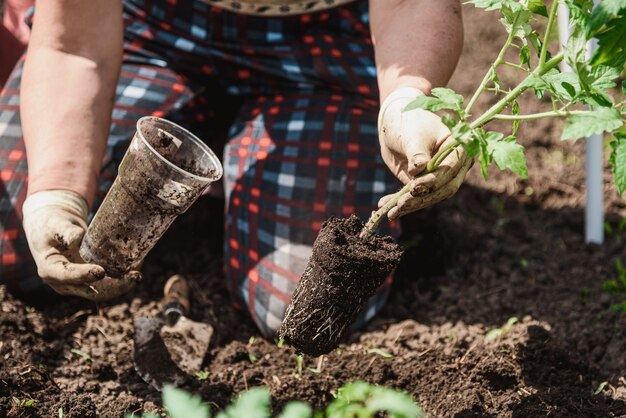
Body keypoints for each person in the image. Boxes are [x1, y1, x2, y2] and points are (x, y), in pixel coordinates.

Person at [0, 0, 466, 337]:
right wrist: (56, 191)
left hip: (329, 42)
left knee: (299, 304)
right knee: (20, 246)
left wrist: (404, 102)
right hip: (152, 26)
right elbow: (75, 44)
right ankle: (229, 148)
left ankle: (255, 148)